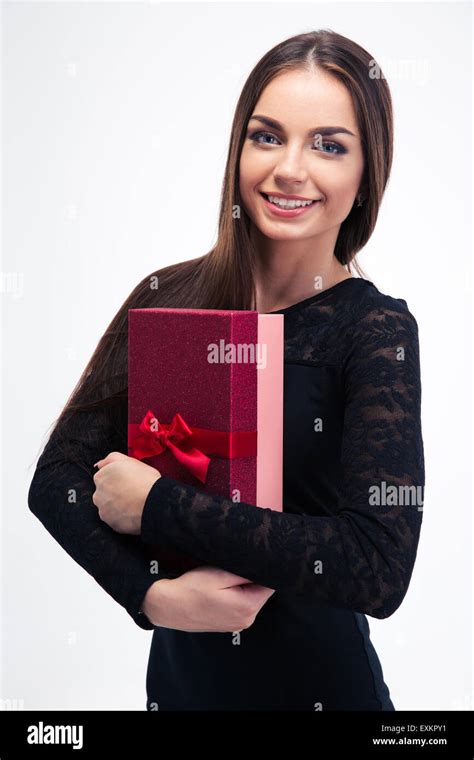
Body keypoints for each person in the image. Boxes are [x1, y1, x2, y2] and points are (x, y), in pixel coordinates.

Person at [28, 29, 425, 711]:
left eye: (328, 145)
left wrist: (158, 504)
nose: (289, 169)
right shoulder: (167, 296)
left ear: (366, 176)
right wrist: (149, 595)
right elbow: (55, 482)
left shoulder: (374, 329)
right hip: (180, 696)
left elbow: (376, 565)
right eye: (266, 136)